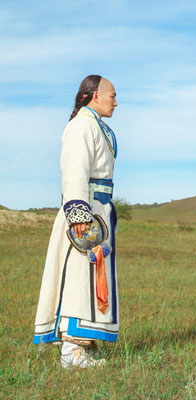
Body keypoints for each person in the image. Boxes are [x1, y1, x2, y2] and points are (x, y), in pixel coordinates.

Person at [33, 75, 119, 368]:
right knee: (79, 278)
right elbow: (74, 170)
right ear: (96, 95)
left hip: (100, 210)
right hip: (85, 213)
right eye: (112, 96)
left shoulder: (95, 125)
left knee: (94, 278)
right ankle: (72, 352)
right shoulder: (81, 125)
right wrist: (79, 215)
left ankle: (86, 345)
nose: (116, 102)